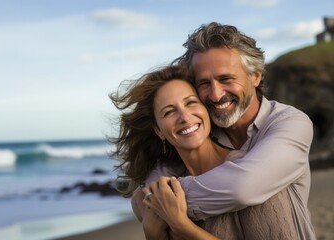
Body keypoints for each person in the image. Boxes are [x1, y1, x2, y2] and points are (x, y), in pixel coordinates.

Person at [133, 22, 315, 239]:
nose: (216, 95)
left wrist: (162, 204)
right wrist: (147, 200)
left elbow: (243, 187)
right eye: (204, 83)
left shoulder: (289, 123)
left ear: (255, 76)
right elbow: (155, 182)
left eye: (226, 79)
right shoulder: (201, 131)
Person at [110, 65, 298, 239]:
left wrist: (181, 225)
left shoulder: (252, 175)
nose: (184, 117)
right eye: (169, 112)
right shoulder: (161, 188)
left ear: (206, 109)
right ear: (159, 130)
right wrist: (152, 232)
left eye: (191, 103)